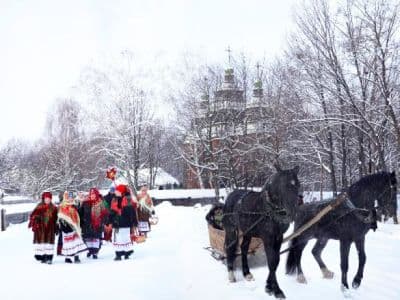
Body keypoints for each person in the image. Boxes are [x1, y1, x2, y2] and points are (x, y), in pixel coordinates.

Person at [109, 184, 138, 261]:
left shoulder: (127, 199)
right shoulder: (114, 199)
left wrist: (134, 222)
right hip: (116, 223)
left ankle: (126, 253)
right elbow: (111, 210)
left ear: (121, 191)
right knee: (117, 239)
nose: (115, 192)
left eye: (117, 190)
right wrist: (110, 219)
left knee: (125, 238)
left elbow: (131, 212)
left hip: (125, 223)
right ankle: (118, 254)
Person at [28, 191, 58, 264]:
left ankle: (49, 258)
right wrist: (36, 219)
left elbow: (57, 218)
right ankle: (43, 257)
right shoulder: (39, 206)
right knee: (42, 243)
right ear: (43, 199)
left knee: (49, 243)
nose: (47, 200)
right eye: (46, 198)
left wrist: (57, 226)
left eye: (49, 198)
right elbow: (32, 215)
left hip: (50, 228)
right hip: (40, 229)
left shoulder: (54, 207)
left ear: (51, 199)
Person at [79, 188, 109, 259]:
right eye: (91, 194)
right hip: (87, 224)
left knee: (96, 239)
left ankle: (95, 252)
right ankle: (90, 251)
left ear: (96, 194)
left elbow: (105, 213)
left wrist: (103, 221)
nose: (92, 196)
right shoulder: (85, 202)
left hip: (97, 224)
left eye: (94, 194)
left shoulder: (101, 202)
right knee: (88, 239)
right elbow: (80, 213)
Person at [58, 191, 87, 263]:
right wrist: (63, 227)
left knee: (76, 242)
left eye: (71, 197)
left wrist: (81, 205)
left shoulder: (75, 205)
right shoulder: (62, 206)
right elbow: (60, 218)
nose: (70, 199)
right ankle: (67, 257)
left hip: (75, 227)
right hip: (66, 228)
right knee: (68, 244)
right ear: (65, 197)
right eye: (68, 197)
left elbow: (79, 215)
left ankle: (76, 257)